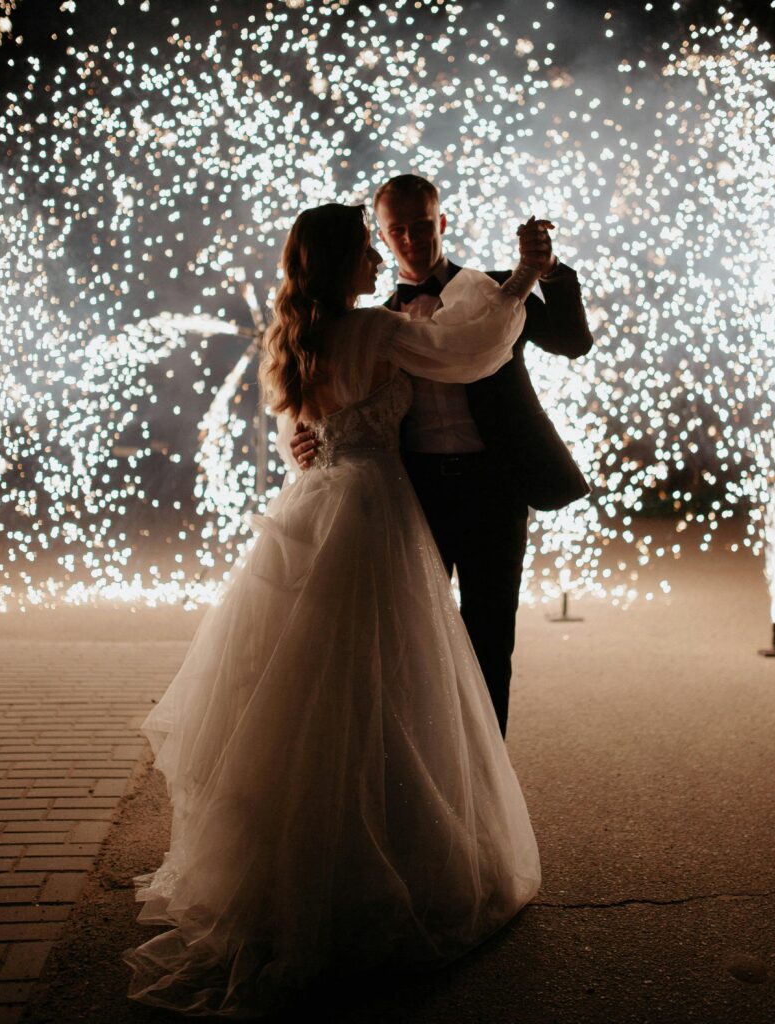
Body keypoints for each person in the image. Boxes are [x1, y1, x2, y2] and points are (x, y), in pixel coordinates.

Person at [123, 202, 543, 1019]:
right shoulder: (376, 330)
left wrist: (302, 446)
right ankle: (393, 846)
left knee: (304, 687)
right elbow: (466, 349)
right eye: (366, 251)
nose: (379, 263)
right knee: (390, 682)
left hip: (311, 511)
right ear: (345, 259)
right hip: (377, 512)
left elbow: (298, 430)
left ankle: (297, 859)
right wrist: (522, 278)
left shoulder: (293, 337)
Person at [292, 175, 594, 736]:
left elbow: (574, 342)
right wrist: (306, 438)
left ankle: (488, 777)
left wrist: (546, 269)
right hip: (411, 495)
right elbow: (324, 401)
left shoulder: (494, 292)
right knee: (413, 644)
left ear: (442, 222)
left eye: (422, 225)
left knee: (490, 641)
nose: (411, 239)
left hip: (495, 487)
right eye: (398, 230)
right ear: (383, 237)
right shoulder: (369, 323)